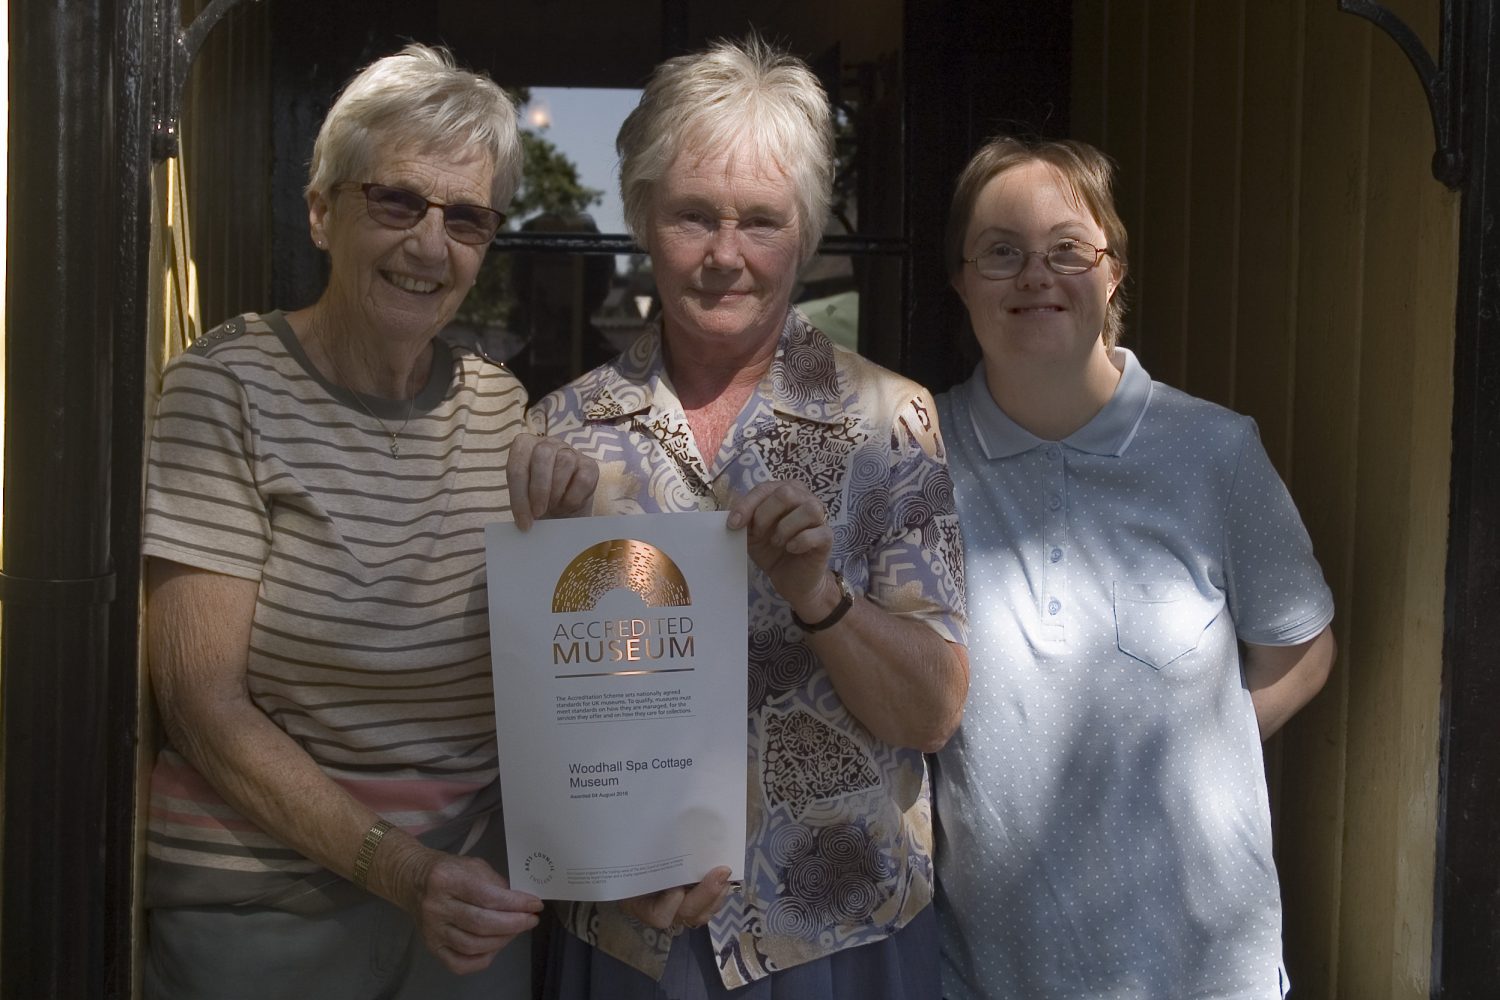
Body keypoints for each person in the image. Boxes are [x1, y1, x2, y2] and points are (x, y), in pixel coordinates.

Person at [140, 44, 596, 1000]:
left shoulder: (501, 409)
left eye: (466, 218)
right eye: (397, 202)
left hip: (469, 909)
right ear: (320, 211)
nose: (431, 245)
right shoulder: (225, 389)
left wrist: (568, 538)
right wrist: (405, 871)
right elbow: (202, 705)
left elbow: (550, 673)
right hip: (265, 915)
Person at [529, 37, 970, 1000]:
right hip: (632, 937)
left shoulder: (892, 421)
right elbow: (531, 716)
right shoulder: (562, 432)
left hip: (839, 937)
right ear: (643, 215)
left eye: (762, 221)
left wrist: (819, 594)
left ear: (804, 235)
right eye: (694, 215)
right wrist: (601, 856)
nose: (726, 254)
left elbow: (933, 711)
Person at [932, 135, 1338, 999]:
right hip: (990, 967)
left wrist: (1171, 754)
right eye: (1002, 253)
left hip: (1199, 968)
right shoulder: (914, 458)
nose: (1036, 276)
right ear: (961, 280)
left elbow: (1302, 654)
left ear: (1112, 273)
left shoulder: (1213, 452)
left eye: (1067, 250)